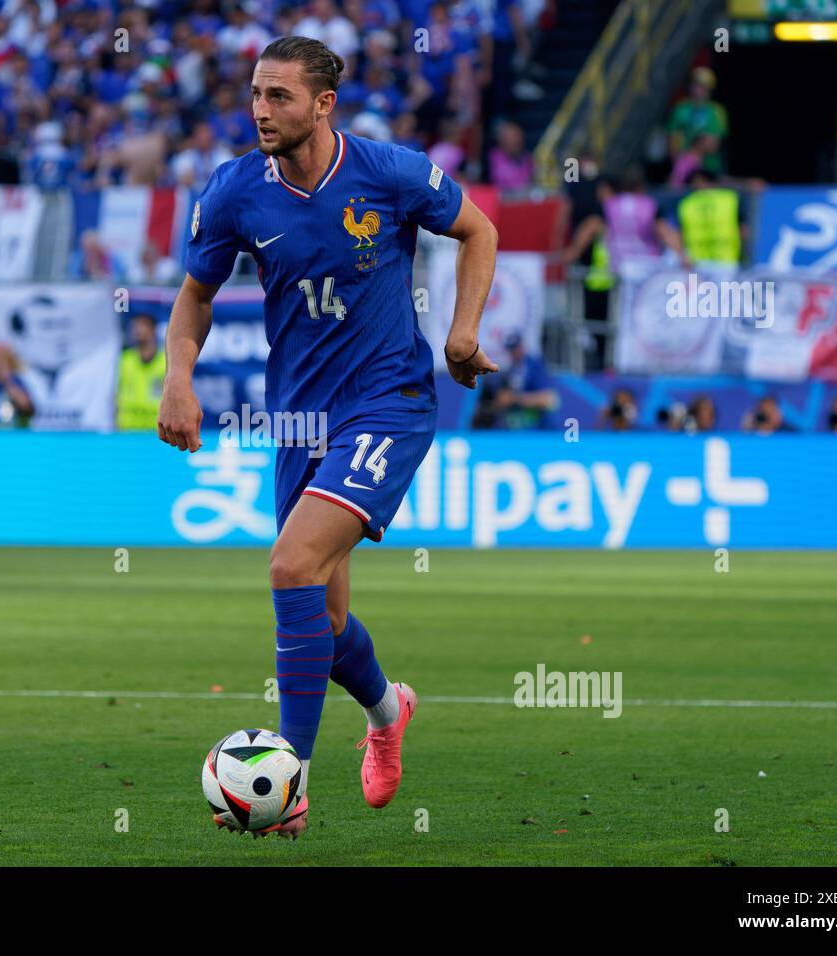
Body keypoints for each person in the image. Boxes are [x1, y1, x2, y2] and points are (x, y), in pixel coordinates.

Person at [158, 36, 499, 838]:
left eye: (278, 96)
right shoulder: (236, 191)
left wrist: (462, 332)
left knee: (289, 565)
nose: (260, 111)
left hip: (388, 401)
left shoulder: (390, 172)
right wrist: (179, 377)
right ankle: (388, 711)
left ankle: (290, 777)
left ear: (322, 103)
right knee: (326, 617)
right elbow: (195, 296)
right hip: (300, 418)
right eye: (254, 94)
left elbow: (478, 232)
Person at [471, 332, 555, 429]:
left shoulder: (535, 366)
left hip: (537, 428)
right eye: (510, 350)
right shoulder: (509, 370)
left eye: (515, 348)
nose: (513, 353)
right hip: (514, 429)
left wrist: (515, 399)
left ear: (522, 347)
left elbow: (549, 399)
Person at [117, 315, 166, 431]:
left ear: (153, 329)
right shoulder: (125, 359)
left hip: (157, 430)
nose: (138, 330)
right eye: (135, 327)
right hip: (128, 429)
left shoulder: (167, 361)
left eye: (143, 325)